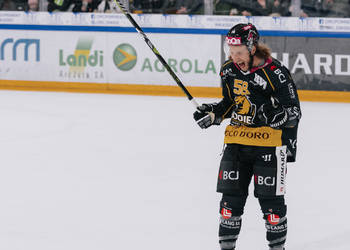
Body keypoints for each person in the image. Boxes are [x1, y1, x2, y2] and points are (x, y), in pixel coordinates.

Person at [193, 23, 301, 250]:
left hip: (269, 148)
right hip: (235, 143)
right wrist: (213, 114)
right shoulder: (228, 70)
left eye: (239, 52)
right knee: (229, 205)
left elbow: (294, 112)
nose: (234, 57)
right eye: (231, 52)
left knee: (272, 207)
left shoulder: (276, 73)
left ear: (252, 48)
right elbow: (230, 105)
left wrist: (277, 116)